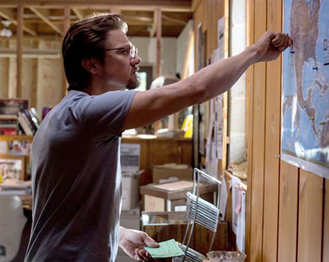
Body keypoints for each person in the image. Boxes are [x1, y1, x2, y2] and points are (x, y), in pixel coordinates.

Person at [25, 13, 292, 262]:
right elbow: (195, 90)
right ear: (92, 65)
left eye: (134, 50)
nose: (135, 59)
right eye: (124, 51)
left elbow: (64, 209)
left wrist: (118, 234)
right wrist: (255, 52)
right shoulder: (86, 113)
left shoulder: (67, 114)